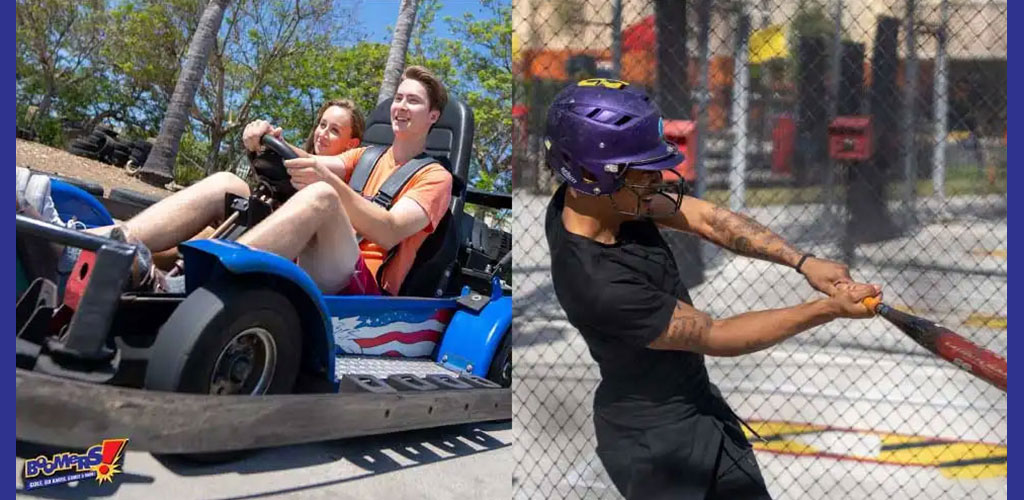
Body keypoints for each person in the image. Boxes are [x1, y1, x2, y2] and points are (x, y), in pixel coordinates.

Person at [542, 79, 883, 499]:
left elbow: (704, 218)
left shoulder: (596, 200)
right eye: (641, 167)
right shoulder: (597, 281)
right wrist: (827, 309)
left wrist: (803, 262)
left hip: (698, 408)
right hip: (657, 445)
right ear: (592, 173)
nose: (656, 178)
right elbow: (714, 335)